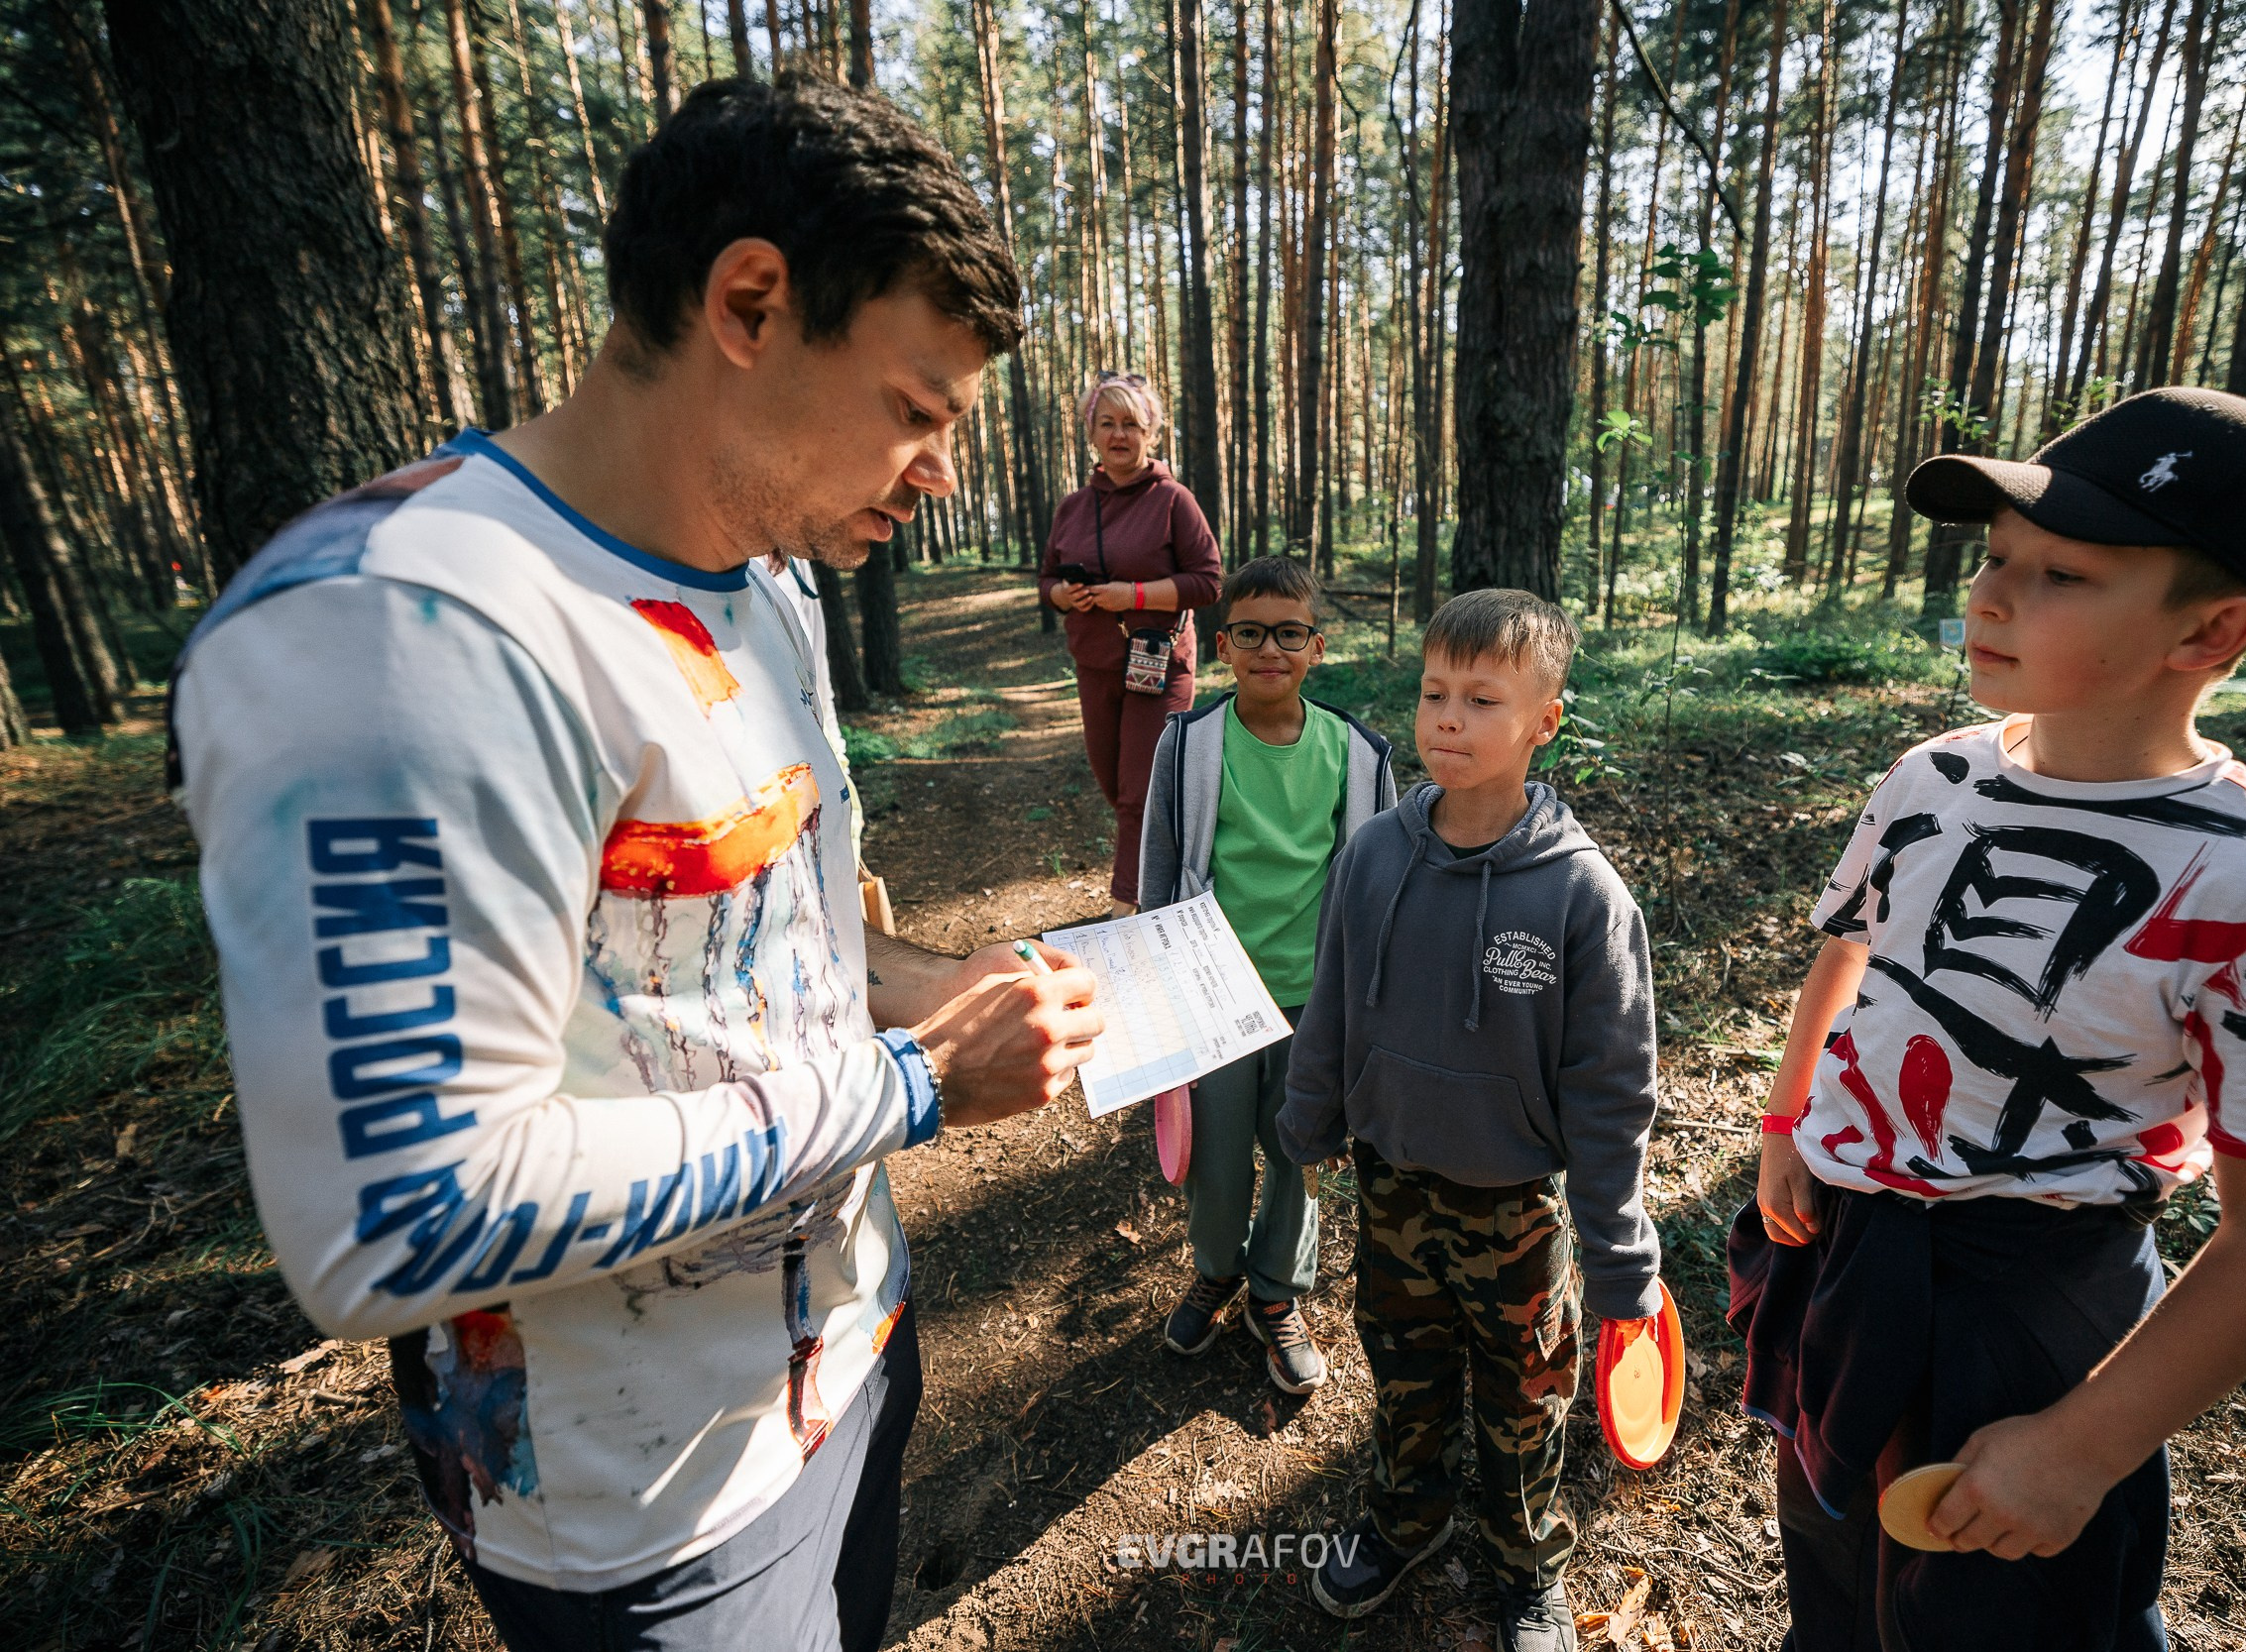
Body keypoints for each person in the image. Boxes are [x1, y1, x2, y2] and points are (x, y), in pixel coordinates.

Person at [170, 73, 1103, 1652]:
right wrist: (917, 1081)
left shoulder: (766, 584)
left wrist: (941, 987)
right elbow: (404, 1214)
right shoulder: (404, 628)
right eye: (917, 407)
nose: (941, 469)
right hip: (645, 1513)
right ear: (751, 301)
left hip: (847, 1355)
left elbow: (774, 929)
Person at [1733, 387, 2246, 1652]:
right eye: (1994, 556)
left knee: (1999, 1602)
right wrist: (1789, 1117)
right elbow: (1854, 947)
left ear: (2212, 629)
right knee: (1829, 1552)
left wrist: (2078, 1445)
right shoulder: (1933, 775)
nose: (1988, 595)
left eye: (2060, 575)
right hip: (1850, 1247)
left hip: (2029, 1306)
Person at [1278, 590, 1663, 1652]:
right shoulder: (1372, 857)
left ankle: (1524, 1564)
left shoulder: (1584, 897)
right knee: (1402, 1371)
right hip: (1392, 1183)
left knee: (1522, 1398)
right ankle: (1404, 1516)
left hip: (1515, 1214)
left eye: (1482, 697)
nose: (1447, 717)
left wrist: (1622, 1255)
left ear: (1544, 719)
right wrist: (1305, 1120)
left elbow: (1611, 1091)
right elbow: (1333, 1001)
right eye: (1434, 692)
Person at [1135, 556, 1399, 1394]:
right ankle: (1216, 1270)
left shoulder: (1358, 754)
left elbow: (1383, 883)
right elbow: (1162, 868)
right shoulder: (1188, 745)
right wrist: (1153, 985)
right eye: (1251, 633)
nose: (1270, 649)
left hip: (1314, 1001)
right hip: (1211, 998)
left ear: (1315, 647)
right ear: (1224, 646)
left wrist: (1371, 1004)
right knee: (1215, 1159)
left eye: (1289, 633)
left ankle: (1276, 1295)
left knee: (1298, 1153)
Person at [1040, 372, 1223, 914]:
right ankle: (1170, 870)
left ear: (1152, 433)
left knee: (1139, 791)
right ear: (1091, 434)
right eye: (1108, 424)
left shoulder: (1173, 500)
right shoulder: (1073, 507)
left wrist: (1133, 594)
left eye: (1131, 424)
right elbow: (1045, 581)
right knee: (1114, 782)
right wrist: (1065, 597)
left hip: (1158, 662)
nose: (1120, 435)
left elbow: (1209, 582)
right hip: (1095, 664)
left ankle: (1130, 906)